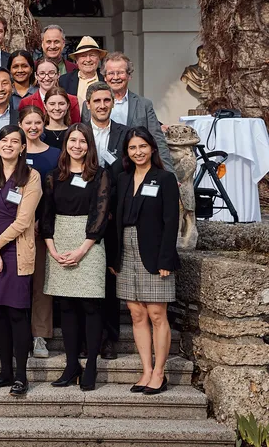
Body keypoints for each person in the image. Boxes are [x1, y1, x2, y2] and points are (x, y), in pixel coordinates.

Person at [40, 122, 111, 392]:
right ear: (66, 144)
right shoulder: (53, 175)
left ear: (89, 146)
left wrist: (83, 249)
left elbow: (101, 214)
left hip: (89, 243)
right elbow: (45, 215)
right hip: (58, 242)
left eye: (82, 141)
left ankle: (90, 364)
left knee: (91, 306)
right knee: (67, 306)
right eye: (72, 141)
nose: (77, 146)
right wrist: (52, 248)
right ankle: (71, 365)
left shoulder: (99, 175)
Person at [0, 124, 42, 397]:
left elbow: (23, 221)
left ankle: (21, 376)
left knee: (17, 313)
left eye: (15, 141)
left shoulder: (32, 177)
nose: (9, 145)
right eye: (4, 140)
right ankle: (4, 372)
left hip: (17, 252)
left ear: (23, 147)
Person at [114, 127, 180, 396]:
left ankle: (160, 373)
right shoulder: (122, 179)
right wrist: (115, 257)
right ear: (127, 152)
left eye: (142, 146)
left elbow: (171, 221)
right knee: (137, 314)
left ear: (152, 148)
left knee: (156, 314)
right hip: (127, 251)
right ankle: (145, 370)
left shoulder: (165, 178)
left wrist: (166, 257)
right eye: (132, 148)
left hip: (154, 253)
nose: (138, 152)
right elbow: (115, 220)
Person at [87, 81, 129, 360]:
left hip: (113, 216)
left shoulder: (125, 135)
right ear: (88, 104)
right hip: (83, 215)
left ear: (112, 103)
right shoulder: (77, 133)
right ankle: (87, 336)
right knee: (87, 278)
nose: (102, 105)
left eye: (106, 100)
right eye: (97, 101)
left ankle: (109, 338)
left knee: (109, 279)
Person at [85, 51, 175, 175]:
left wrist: (171, 175)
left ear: (129, 76)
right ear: (105, 77)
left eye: (121, 72)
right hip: (98, 172)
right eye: (111, 73)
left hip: (135, 171)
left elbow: (158, 141)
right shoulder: (91, 105)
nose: (115, 77)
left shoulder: (144, 105)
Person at [19, 106, 61, 358]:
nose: (33, 127)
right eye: (28, 123)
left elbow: (57, 195)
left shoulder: (55, 155)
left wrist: (41, 222)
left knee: (41, 285)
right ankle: (19, 334)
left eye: (37, 123)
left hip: (45, 229)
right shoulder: (12, 151)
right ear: (20, 125)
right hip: (16, 228)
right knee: (18, 284)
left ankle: (40, 336)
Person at [20, 59, 81, 124]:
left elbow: (76, 127)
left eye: (51, 73)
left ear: (58, 75)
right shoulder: (26, 102)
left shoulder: (72, 100)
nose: (46, 78)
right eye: (42, 73)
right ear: (36, 76)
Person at [59, 36, 106, 103]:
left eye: (92, 55)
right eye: (83, 56)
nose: (88, 60)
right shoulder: (64, 81)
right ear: (77, 60)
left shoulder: (106, 80)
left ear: (98, 59)